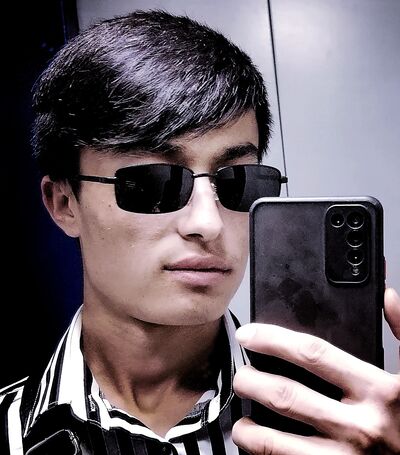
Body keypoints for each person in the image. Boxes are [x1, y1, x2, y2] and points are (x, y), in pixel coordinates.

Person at [1, 9, 399, 455]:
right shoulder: (13, 431)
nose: (208, 223)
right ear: (63, 203)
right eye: (153, 183)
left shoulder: (341, 419)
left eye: (239, 182)